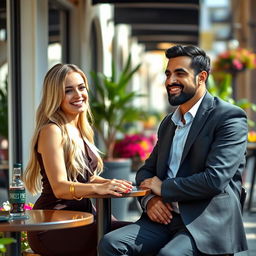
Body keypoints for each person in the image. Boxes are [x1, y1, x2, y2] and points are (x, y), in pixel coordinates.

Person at [98, 45, 248, 256]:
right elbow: (145, 172)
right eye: (168, 74)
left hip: (207, 223)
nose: (170, 81)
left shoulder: (228, 118)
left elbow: (215, 179)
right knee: (111, 243)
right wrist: (150, 200)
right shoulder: (169, 123)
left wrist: (164, 188)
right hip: (165, 218)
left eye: (180, 73)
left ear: (201, 77)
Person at [23, 63, 133, 256]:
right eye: (68, 90)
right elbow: (60, 187)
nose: (78, 94)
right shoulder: (52, 130)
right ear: (55, 96)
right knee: (133, 238)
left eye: (81, 87)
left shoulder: (79, 130)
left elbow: (85, 177)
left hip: (82, 217)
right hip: (55, 227)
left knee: (144, 233)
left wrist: (111, 183)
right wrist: (98, 188)